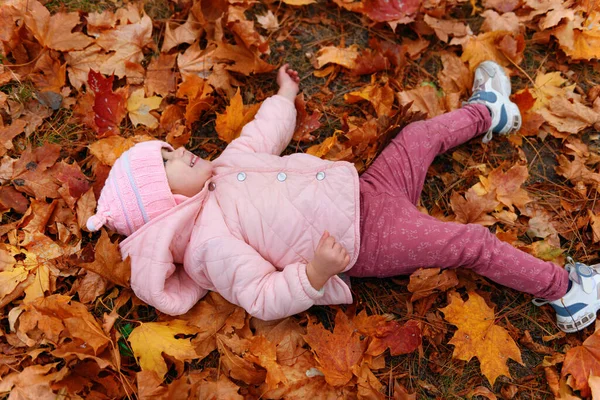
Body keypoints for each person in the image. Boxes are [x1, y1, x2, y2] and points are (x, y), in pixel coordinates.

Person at [87, 62, 598, 333]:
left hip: (368, 190)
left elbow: (265, 136)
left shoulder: (223, 166)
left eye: (170, 148)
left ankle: (491, 112)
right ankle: (563, 292)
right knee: (469, 243)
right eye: (168, 161)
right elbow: (261, 296)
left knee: (417, 138)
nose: (181, 151)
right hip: (366, 238)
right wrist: (313, 273)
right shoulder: (207, 246)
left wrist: (283, 98)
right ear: (164, 201)